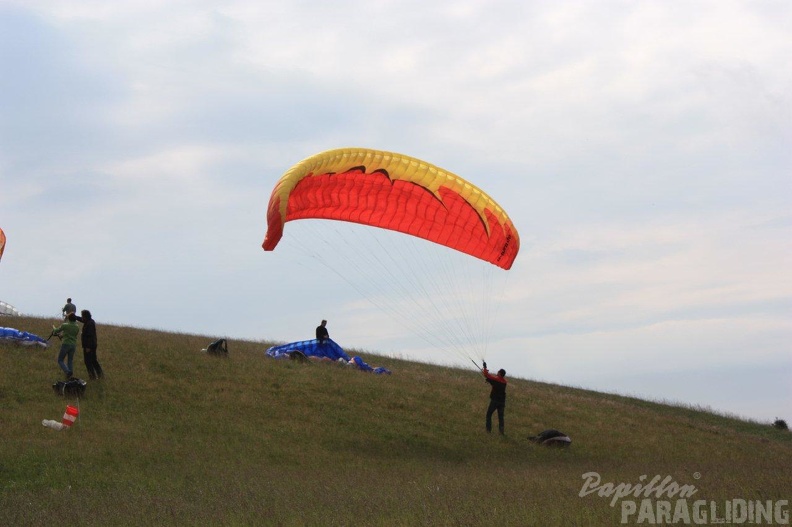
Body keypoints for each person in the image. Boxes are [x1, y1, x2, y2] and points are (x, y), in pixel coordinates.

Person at [75, 309, 103, 379]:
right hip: (92, 345)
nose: (82, 318)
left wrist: (88, 347)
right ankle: (100, 374)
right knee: (93, 360)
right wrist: (75, 317)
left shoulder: (89, 324)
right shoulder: (90, 321)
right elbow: (81, 320)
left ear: (85, 316)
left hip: (89, 346)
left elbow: (89, 336)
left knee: (88, 361)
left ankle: (92, 376)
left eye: (82, 316)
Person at [482, 361, 507, 435]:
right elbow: (495, 383)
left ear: (500, 374)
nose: (497, 372)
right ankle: (501, 432)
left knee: (489, 414)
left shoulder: (496, 380)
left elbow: (486, 375)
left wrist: (485, 367)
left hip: (495, 401)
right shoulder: (505, 382)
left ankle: (488, 430)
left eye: (498, 372)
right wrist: (490, 381)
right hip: (502, 402)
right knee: (501, 417)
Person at [53, 312, 80, 379]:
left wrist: (53, 327)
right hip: (73, 345)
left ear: (69, 318)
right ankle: (71, 375)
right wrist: (63, 335)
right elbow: (71, 334)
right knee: (70, 360)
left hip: (66, 344)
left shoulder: (65, 325)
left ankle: (67, 372)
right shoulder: (77, 327)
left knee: (60, 360)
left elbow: (56, 331)